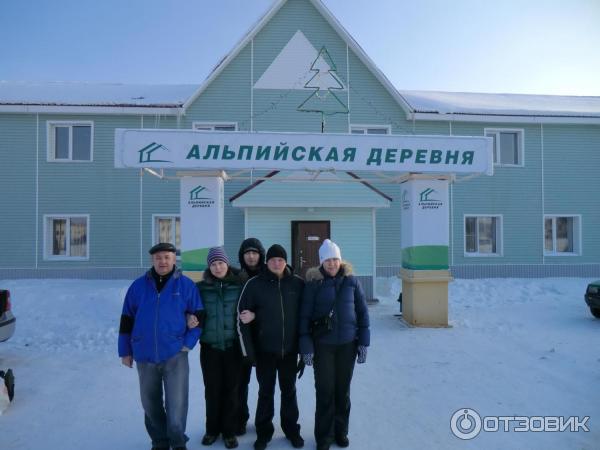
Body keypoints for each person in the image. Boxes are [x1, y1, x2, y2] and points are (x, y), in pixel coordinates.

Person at [118, 242, 204, 450]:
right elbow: (126, 319)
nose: (162, 261)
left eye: (167, 257)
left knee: (176, 405)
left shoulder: (185, 285)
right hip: (144, 354)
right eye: (158, 258)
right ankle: (159, 441)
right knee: (150, 403)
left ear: (174, 259)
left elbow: (200, 317)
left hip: (175, 353)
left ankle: (177, 441)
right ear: (152, 260)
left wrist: (188, 344)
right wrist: (125, 351)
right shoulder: (138, 286)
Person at [299, 239, 370, 450]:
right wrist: (306, 348)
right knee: (325, 391)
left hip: (347, 345)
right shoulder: (313, 284)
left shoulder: (352, 282)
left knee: (342, 391)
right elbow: (304, 318)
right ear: (321, 262)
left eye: (335, 259)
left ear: (340, 260)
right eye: (328, 260)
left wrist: (363, 343)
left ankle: (341, 432)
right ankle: (324, 436)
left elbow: (363, 312)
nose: (332, 264)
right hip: (323, 346)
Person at [237, 244, 305, 450]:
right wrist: (248, 352)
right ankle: (263, 432)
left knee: (289, 391)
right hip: (264, 351)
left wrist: (304, 350)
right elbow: (242, 318)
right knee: (265, 392)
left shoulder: (298, 284)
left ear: (286, 262)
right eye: (274, 259)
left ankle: (291, 429)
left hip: (289, 351)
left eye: (281, 259)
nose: (277, 263)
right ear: (267, 261)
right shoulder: (254, 284)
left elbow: (306, 317)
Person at [193, 247, 244, 449]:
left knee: (231, 390)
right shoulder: (201, 288)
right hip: (210, 347)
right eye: (213, 264)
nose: (217, 267)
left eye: (220, 263)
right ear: (209, 267)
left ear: (227, 264)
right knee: (212, 390)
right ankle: (212, 430)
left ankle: (229, 432)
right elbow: (192, 309)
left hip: (233, 347)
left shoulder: (239, 286)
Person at [236, 237, 266, 436]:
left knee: (266, 385)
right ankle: (239, 419)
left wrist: (257, 315)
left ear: (261, 255)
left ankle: (263, 422)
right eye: (247, 252)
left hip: (264, 338)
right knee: (240, 383)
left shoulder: (268, 276)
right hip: (241, 341)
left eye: (254, 252)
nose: (251, 256)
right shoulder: (236, 277)